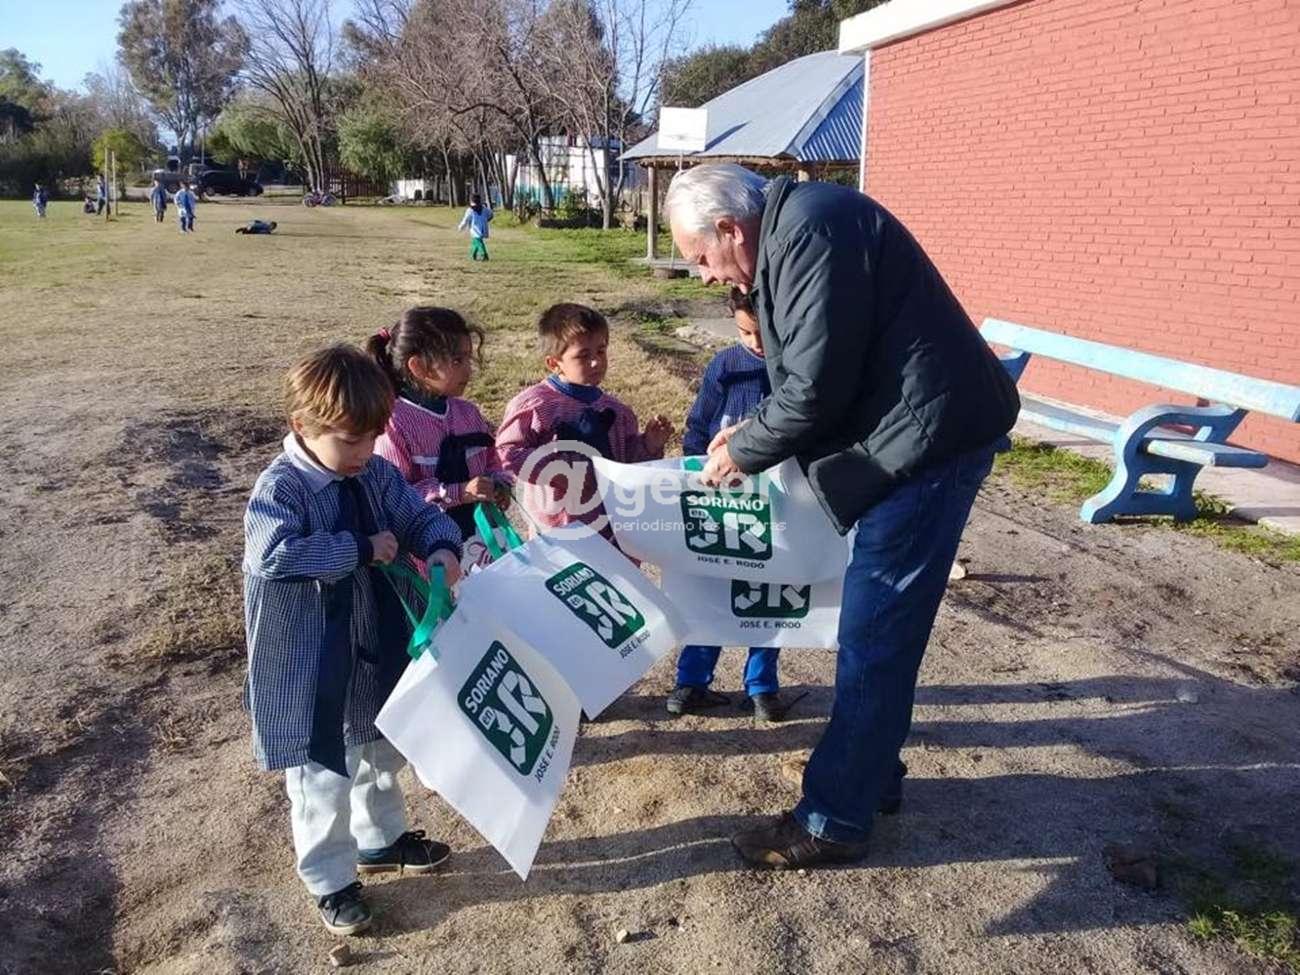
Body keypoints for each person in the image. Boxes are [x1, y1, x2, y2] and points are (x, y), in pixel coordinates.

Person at [665, 163, 1020, 869]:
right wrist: (751, 426)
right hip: (911, 436)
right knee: (877, 629)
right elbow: (807, 369)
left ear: (730, 228)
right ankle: (872, 775)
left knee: (874, 632)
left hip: (927, 447)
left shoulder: (812, 230)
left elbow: (816, 388)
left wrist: (747, 448)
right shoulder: (798, 231)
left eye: (701, 257)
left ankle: (833, 816)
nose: (705, 276)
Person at [243, 344, 464, 935]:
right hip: (314, 659)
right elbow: (272, 555)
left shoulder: (373, 472)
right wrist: (359, 549)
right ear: (303, 426)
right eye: (349, 441)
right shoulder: (281, 488)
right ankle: (330, 879)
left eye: (372, 439)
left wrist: (443, 547)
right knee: (323, 773)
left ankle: (382, 839)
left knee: (379, 749)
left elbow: (417, 517)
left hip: (377, 643)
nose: (364, 454)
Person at [668, 287, 784, 722]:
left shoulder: (794, 369)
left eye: (763, 333)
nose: (755, 342)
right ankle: (692, 682)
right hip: (720, 496)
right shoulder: (724, 365)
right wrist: (695, 472)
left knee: (768, 592)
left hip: (772, 499)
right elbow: (699, 423)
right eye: (745, 331)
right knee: (709, 587)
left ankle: (761, 688)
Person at [495, 302, 673, 536]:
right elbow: (508, 451)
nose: (596, 362)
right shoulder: (536, 405)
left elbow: (626, 464)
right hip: (556, 528)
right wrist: (557, 470)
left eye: (601, 351)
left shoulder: (618, 412)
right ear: (554, 363)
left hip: (610, 527)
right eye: (583, 355)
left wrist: (649, 444)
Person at [368, 306, 512, 557]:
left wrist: (498, 483)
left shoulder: (468, 412)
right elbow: (395, 496)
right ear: (418, 367)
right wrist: (458, 492)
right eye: (457, 360)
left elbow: (492, 458)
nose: (468, 370)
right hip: (434, 553)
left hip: (484, 540)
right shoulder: (394, 423)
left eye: (469, 359)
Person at [457, 193, 493, 261]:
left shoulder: (470, 210)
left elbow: (465, 220)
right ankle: (473, 255)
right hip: (483, 228)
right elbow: (491, 215)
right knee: (475, 241)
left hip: (475, 228)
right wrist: (486, 220)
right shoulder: (484, 208)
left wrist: (461, 227)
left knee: (478, 241)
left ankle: (484, 254)